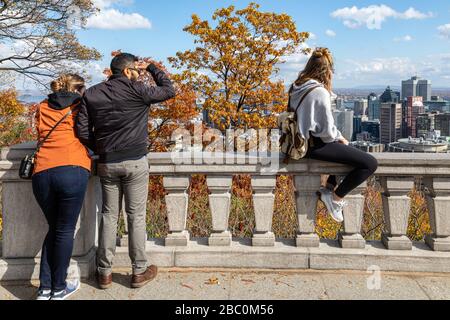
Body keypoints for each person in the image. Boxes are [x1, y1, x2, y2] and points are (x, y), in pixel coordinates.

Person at [76, 53, 176, 289]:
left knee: (109, 216)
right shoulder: (138, 90)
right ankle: (139, 271)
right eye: (137, 71)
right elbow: (168, 90)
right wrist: (151, 67)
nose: (138, 74)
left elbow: (81, 131)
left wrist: (100, 147)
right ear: (128, 71)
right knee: (136, 216)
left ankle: (104, 273)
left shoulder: (92, 93)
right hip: (135, 161)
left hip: (107, 162)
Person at [288, 47, 378, 223]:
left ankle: (328, 188)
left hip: (299, 142)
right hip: (314, 145)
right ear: (328, 71)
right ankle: (335, 198)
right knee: (369, 163)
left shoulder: (297, 86)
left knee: (344, 151)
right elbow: (327, 132)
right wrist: (339, 137)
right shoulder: (319, 92)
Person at [32, 74, 92, 300]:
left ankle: (44, 288)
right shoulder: (80, 105)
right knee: (65, 229)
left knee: (54, 227)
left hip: (43, 171)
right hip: (72, 168)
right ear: (80, 89)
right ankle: (58, 288)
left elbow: (40, 133)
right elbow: (86, 132)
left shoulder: (42, 106)